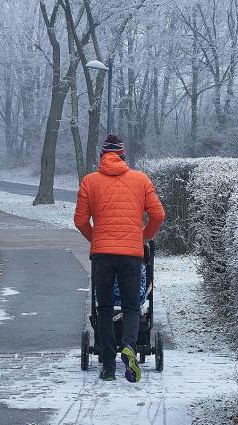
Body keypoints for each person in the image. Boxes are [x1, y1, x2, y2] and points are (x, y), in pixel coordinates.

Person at [73, 134, 166, 383]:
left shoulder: (89, 182)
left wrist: (97, 239)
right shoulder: (141, 179)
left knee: (103, 309)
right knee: (132, 306)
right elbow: (158, 215)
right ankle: (129, 346)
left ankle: (107, 367)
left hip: (102, 255)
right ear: (123, 156)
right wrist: (142, 237)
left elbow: (80, 220)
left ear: (102, 156)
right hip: (131, 255)